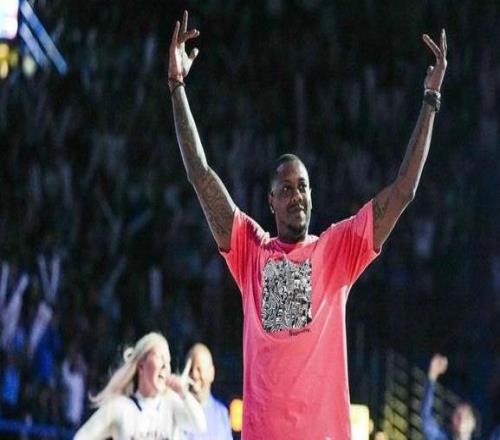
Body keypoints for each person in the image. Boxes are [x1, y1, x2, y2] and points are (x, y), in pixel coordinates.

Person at [168, 10, 447, 439]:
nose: (297, 195)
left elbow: (404, 190)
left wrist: (430, 99)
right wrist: (176, 87)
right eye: (286, 189)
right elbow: (201, 176)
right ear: (270, 201)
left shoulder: (338, 249)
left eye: (303, 187)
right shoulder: (249, 250)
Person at [74, 332, 206, 439]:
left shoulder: (171, 405)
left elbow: (200, 426)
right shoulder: (119, 407)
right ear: (141, 365)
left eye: (168, 361)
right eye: (160, 358)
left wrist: (183, 393)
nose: (165, 366)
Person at [421, 354, 477, 440]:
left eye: (466, 417)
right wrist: (432, 375)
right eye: (458, 415)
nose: (461, 420)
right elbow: (426, 415)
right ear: (452, 419)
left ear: (473, 423)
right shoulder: (438, 437)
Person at [183, 343, 232, 440]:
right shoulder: (175, 409)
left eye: (199, 369)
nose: (194, 375)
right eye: (190, 369)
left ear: (211, 373)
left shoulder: (221, 414)